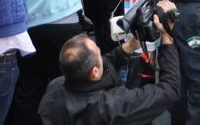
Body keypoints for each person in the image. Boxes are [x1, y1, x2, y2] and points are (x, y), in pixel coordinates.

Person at [37, 22, 181, 125]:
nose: (103, 57)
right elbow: (169, 90)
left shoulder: (54, 89)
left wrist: (127, 48)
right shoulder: (111, 107)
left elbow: (98, 66)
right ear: (94, 72)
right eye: (100, 55)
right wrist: (167, 37)